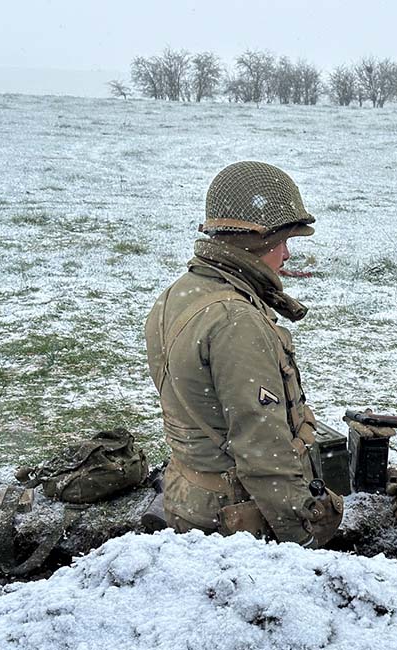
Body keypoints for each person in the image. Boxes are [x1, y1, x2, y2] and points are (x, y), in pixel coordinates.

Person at [144, 161, 342, 547]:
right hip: (236, 518)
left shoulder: (181, 292)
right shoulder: (236, 320)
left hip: (192, 496)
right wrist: (305, 534)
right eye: (283, 241)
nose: (286, 254)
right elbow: (262, 451)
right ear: (254, 241)